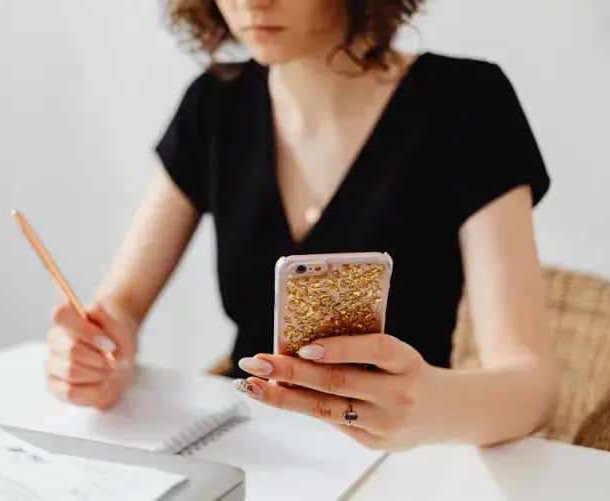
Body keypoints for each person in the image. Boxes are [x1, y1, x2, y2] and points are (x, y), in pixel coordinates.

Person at [44, 0, 559, 451]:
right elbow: (121, 306)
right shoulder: (214, 105)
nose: (251, 2)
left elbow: (531, 388)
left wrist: (424, 406)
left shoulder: (467, 104)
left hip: (404, 464)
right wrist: (97, 354)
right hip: (245, 447)